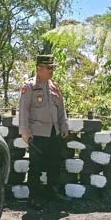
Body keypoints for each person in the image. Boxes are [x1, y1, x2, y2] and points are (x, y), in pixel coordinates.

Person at [18, 55, 69, 209]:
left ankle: (53, 193)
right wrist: (25, 131)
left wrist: (64, 126)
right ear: (39, 68)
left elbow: (61, 108)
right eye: (49, 68)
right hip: (38, 133)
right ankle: (34, 197)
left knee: (55, 164)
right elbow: (23, 110)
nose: (52, 71)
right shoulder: (29, 87)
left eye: (53, 68)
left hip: (54, 132)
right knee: (36, 166)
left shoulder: (55, 87)